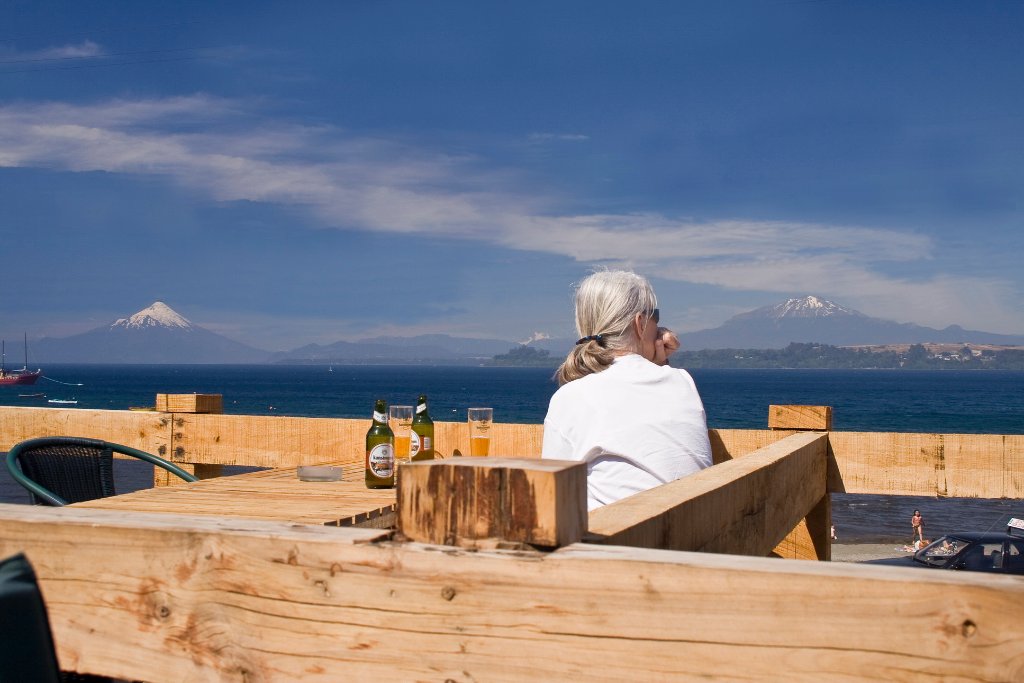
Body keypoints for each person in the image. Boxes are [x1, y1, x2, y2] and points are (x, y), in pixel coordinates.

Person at [541, 270, 713, 510]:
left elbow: (550, 499)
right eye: (656, 317)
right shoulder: (682, 382)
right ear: (640, 323)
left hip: (617, 544)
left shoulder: (571, 397)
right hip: (692, 541)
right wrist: (660, 362)